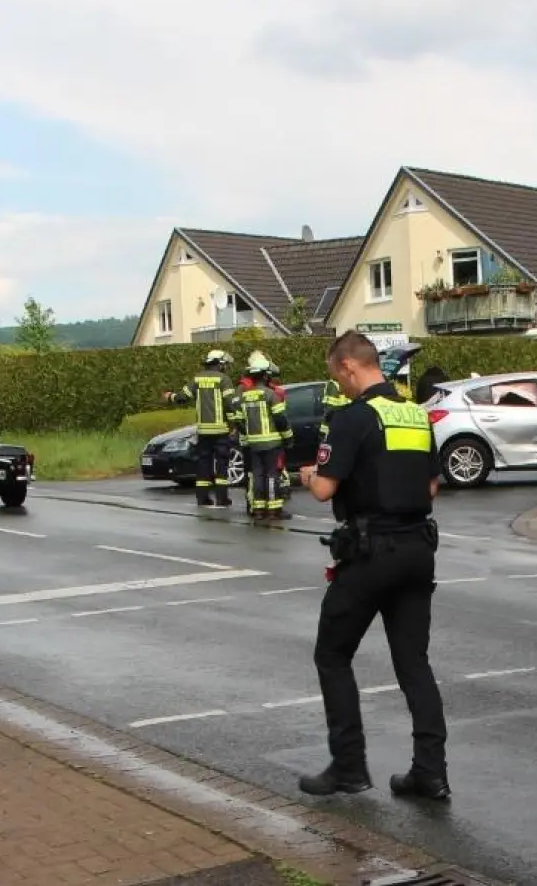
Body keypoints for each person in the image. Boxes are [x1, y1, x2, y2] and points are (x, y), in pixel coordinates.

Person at [296, 330, 449, 801]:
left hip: (369, 553)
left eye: (336, 376)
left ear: (348, 367)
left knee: (332, 654)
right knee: (413, 663)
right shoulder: (416, 415)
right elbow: (430, 489)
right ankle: (430, 772)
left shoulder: (352, 417)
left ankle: (348, 767)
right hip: (417, 551)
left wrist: (307, 475)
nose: (338, 386)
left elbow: (324, 489)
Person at [163, 349, 241, 507]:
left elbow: (182, 398)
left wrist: (169, 396)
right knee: (221, 464)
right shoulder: (223, 379)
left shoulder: (197, 378)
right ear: (219, 364)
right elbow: (230, 404)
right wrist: (235, 424)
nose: (225, 367)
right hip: (220, 430)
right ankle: (222, 498)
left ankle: (202, 498)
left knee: (203, 464)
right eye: (224, 364)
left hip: (203, 431)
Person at [238, 351, 293, 521]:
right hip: (271, 442)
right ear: (265, 376)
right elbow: (280, 419)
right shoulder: (271, 395)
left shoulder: (245, 396)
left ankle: (259, 509)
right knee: (272, 475)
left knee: (257, 475)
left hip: (253, 443)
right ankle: (273, 509)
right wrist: (288, 437)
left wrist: (249, 434)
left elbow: (239, 421)